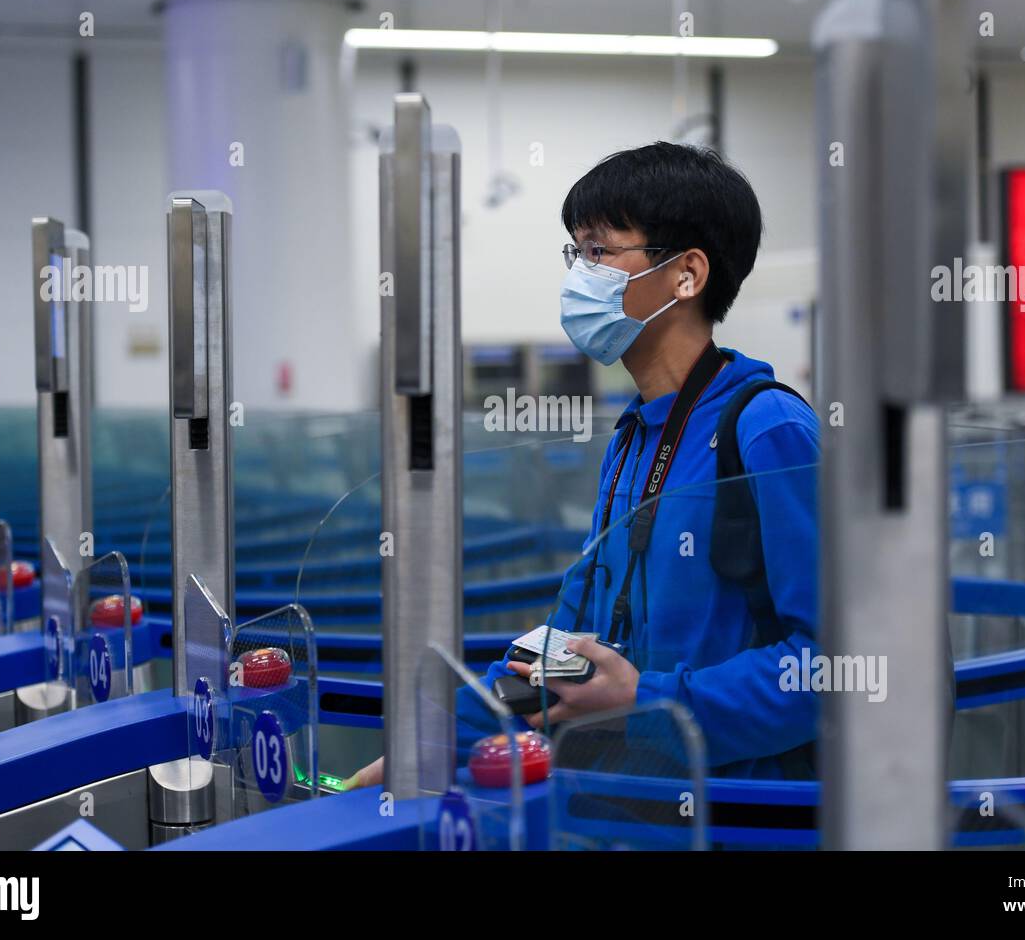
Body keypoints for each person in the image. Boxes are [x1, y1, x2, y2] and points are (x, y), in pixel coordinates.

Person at [348, 141, 819, 789]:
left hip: (742, 814)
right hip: (629, 802)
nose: (580, 275)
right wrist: (422, 744)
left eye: (600, 251)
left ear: (688, 274)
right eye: (576, 252)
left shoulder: (767, 429)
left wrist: (650, 702)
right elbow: (567, 643)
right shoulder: (632, 437)